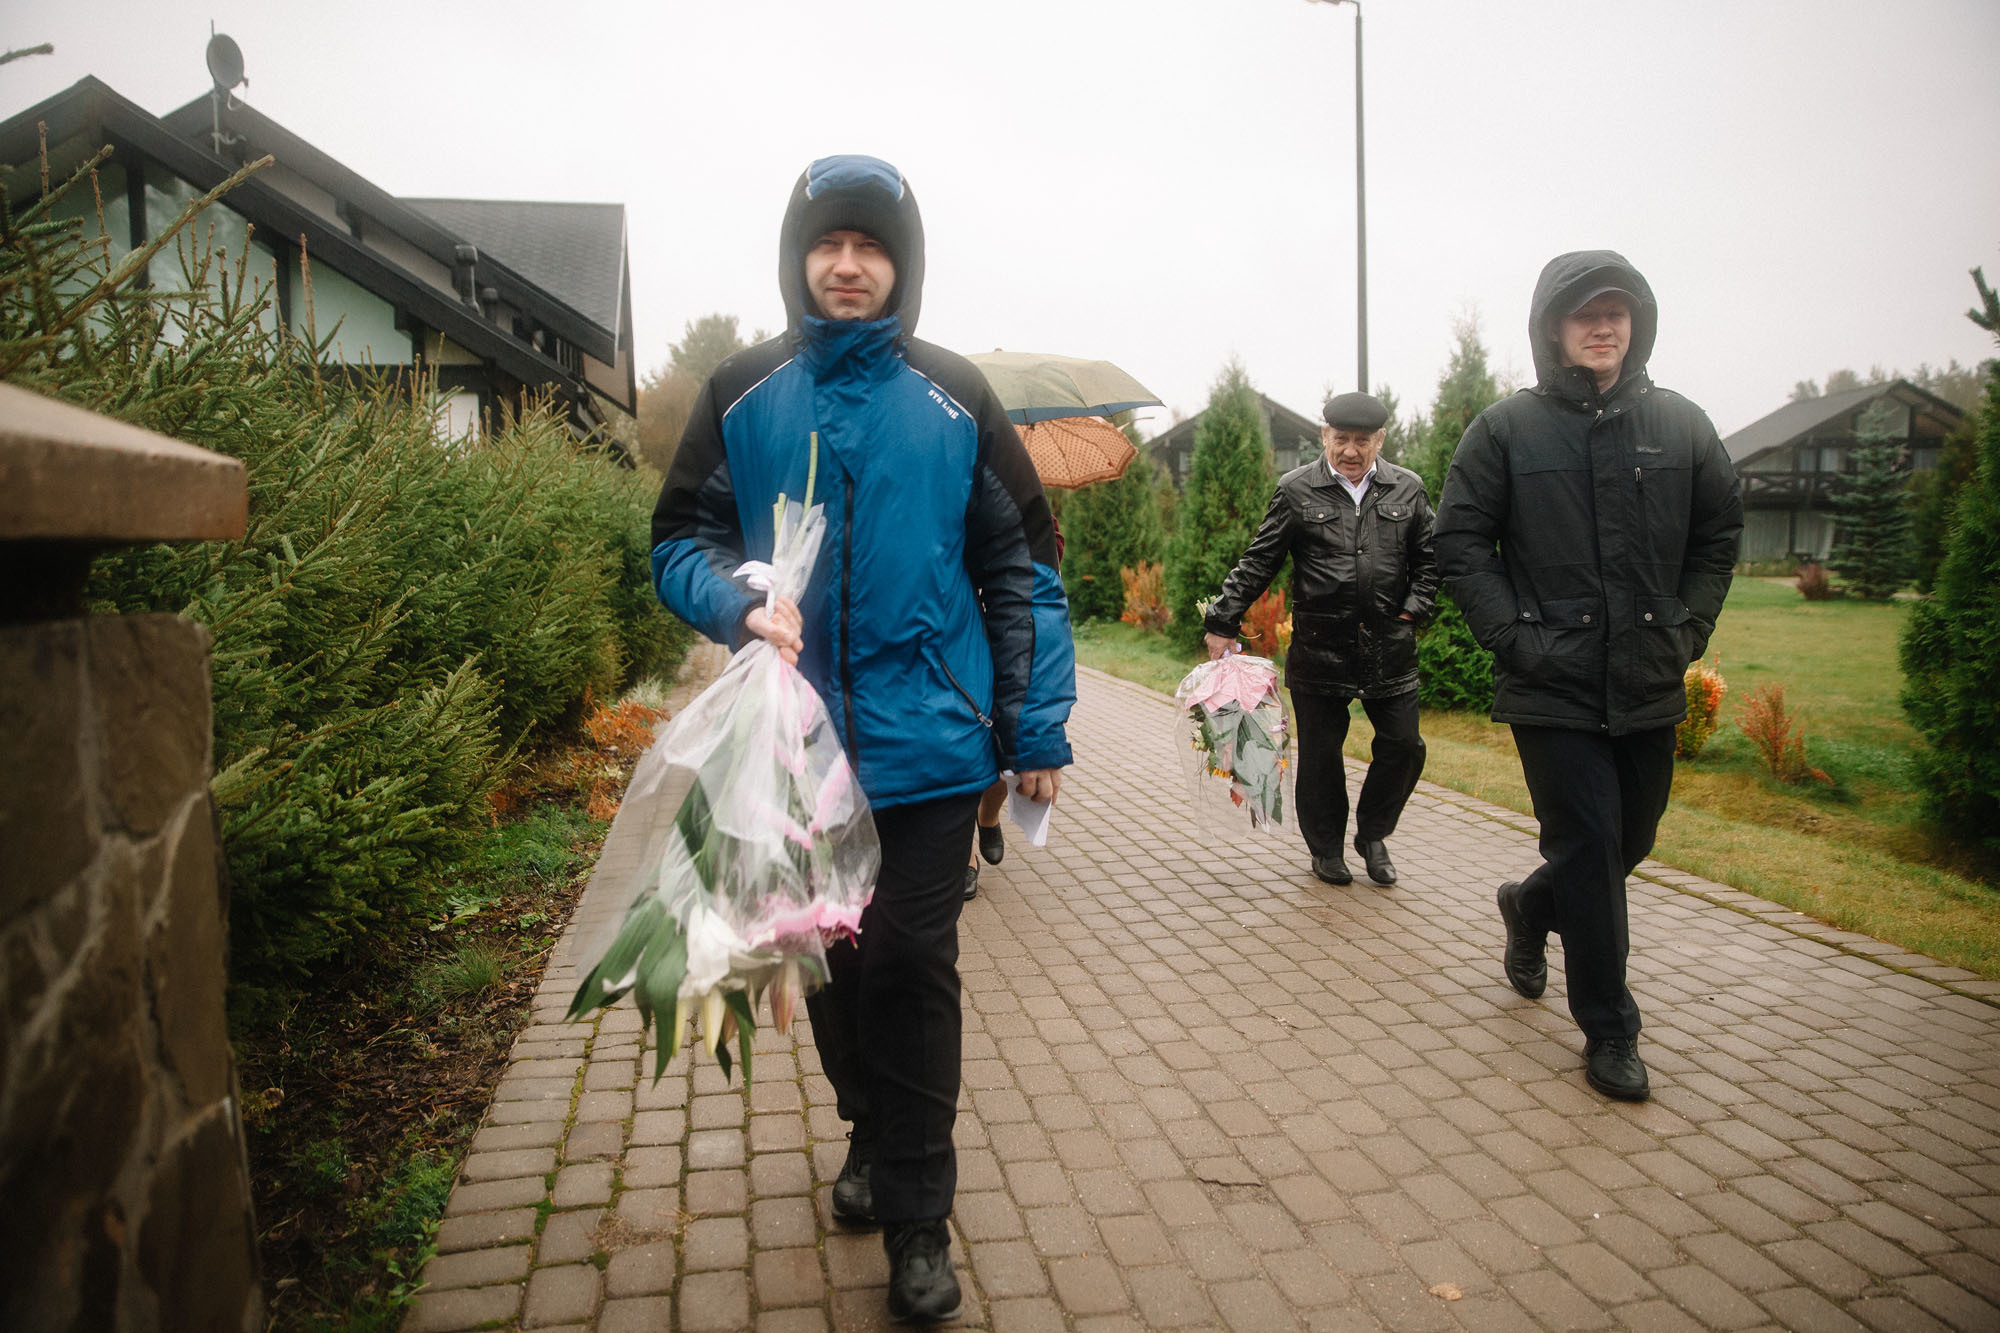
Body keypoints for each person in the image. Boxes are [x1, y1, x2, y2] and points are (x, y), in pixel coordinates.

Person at [649, 154, 1076, 1323]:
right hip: (794, 745)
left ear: (902, 265)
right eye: (827, 244)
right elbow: (674, 538)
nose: (847, 264)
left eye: (870, 246)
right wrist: (729, 600)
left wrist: (1033, 725)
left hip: (934, 747)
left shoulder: (954, 398)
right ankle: (871, 1136)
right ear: (798, 258)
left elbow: (1023, 564)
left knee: (908, 963)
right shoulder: (741, 391)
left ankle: (918, 1214)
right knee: (831, 962)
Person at [1433, 250, 1741, 1102]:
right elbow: (1459, 541)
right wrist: (1512, 635)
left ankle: (1531, 909)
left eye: (1617, 310)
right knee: (1590, 846)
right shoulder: (1505, 429)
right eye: (1584, 313)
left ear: (1636, 323)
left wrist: (1687, 626)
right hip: (1552, 681)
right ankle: (1611, 1030)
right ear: (1554, 328)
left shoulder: (1682, 425)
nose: (1603, 325)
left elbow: (1720, 532)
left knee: (1627, 843)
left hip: (1646, 674)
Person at [1202, 391, 1438, 887]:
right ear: (1324, 436)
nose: (1351, 450)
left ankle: (1372, 834)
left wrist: (1413, 612)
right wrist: (1223, 621)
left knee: (1404, 745)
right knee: (1321, 755)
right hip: (1320, 648)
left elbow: (1431, 563)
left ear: (1380, 439)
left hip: (1389, 648)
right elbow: (1259, 560)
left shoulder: (1408, 489)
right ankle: (1327, 848)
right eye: (1341, 439)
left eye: (1362, 440)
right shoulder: (1296, 490)